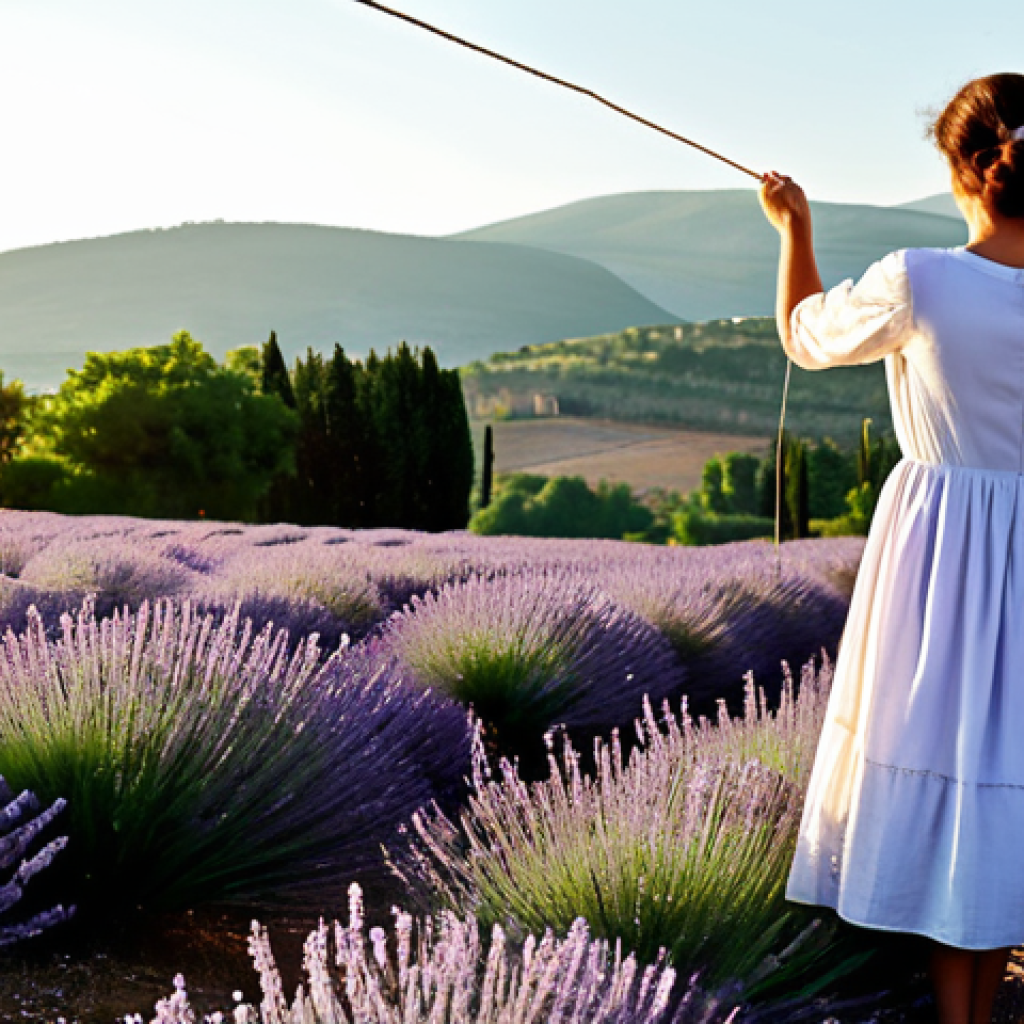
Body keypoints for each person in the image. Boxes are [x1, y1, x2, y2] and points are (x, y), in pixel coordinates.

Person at [758, 72, 1024, 1024]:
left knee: (952, 772)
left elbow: (804, 335)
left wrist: (794, 226)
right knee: (1005, 781)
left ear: (963, 170)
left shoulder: (923, 279)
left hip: (946, 558)